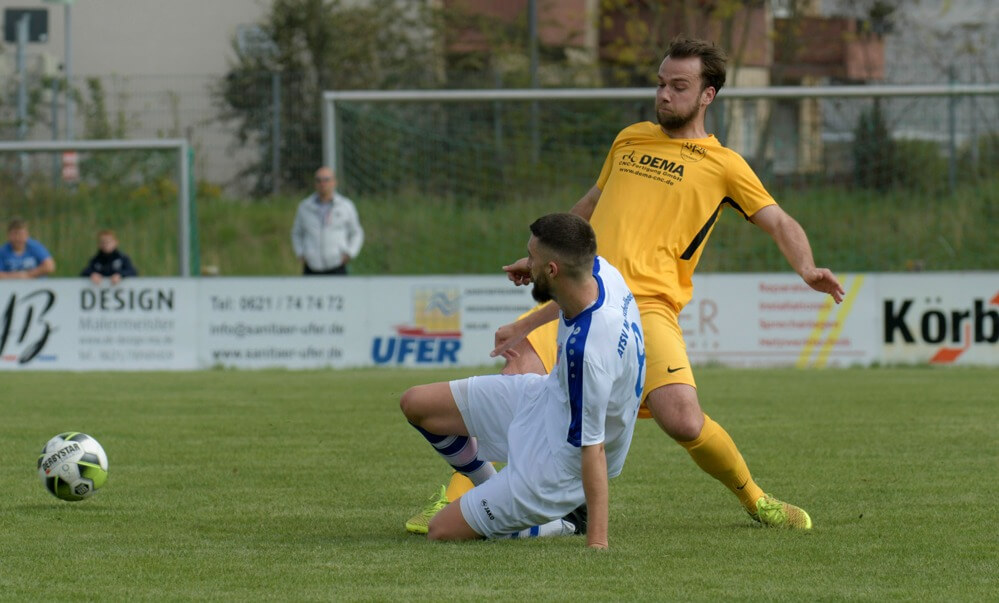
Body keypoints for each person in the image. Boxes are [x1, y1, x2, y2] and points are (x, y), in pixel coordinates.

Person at [407, 37, 844, 534]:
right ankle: (462, 493)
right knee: (515, 379)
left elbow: (780, 222)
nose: (664, 95)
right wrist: (542, 256)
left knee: (682, 418)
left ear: (708, 95)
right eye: (660, 83)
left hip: (649, 307)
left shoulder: (725, 166)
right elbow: (590, 204)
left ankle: (757, 501)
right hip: (582, 295)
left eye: (679, 86)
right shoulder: (630, 138)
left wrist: (807, 269)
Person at [400, 213, 645, 549]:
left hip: (559, 465)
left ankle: (563, 522)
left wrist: (598, 543)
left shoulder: (586, 351)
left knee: (441, 529)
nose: (526, 263)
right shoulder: (600, 271)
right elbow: (566, 296)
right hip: (545, 397)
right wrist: (523, 325)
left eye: (532, 258)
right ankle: (492, 485)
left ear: (553, 270)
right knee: (416, 404)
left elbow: (594, 449)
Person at [291, 166, 364, 275]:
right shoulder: (305, 207)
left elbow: (356, 233)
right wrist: (301, 253)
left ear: (334, 182)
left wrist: (349, 253)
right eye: (319, 180)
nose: (322, 183)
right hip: (311, 267)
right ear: (315, 183)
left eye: (326, 180)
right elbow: (297, 233)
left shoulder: (345, 206)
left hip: (336, 266)